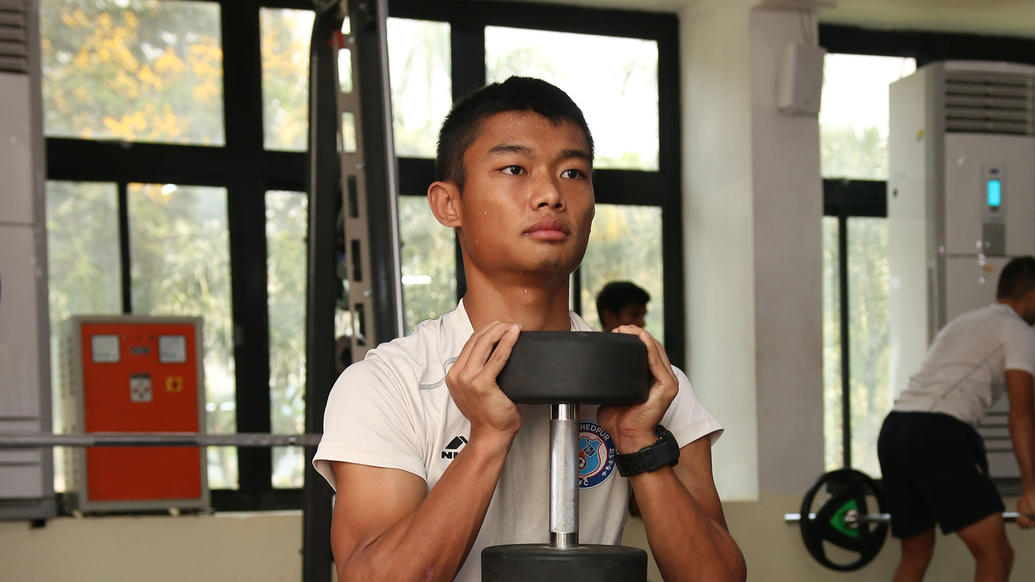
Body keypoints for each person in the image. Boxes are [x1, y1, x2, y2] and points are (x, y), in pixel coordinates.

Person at [313, 76, 746, 582]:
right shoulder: (388, 384)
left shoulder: (647, 382)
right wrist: (488, 439)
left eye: (573, 173)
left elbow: (717, 577)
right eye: (515, 169)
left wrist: (637, 441)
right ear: (447, 203)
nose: (549, 194)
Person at [877, 256, 1035, 582]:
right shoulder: (1018, 331)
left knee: (915, 553)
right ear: (1033, 296)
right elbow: (1021, 416)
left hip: (894, 430)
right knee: (996, 554)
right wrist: (1031, 489)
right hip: (937, 432)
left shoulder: (963, 322)